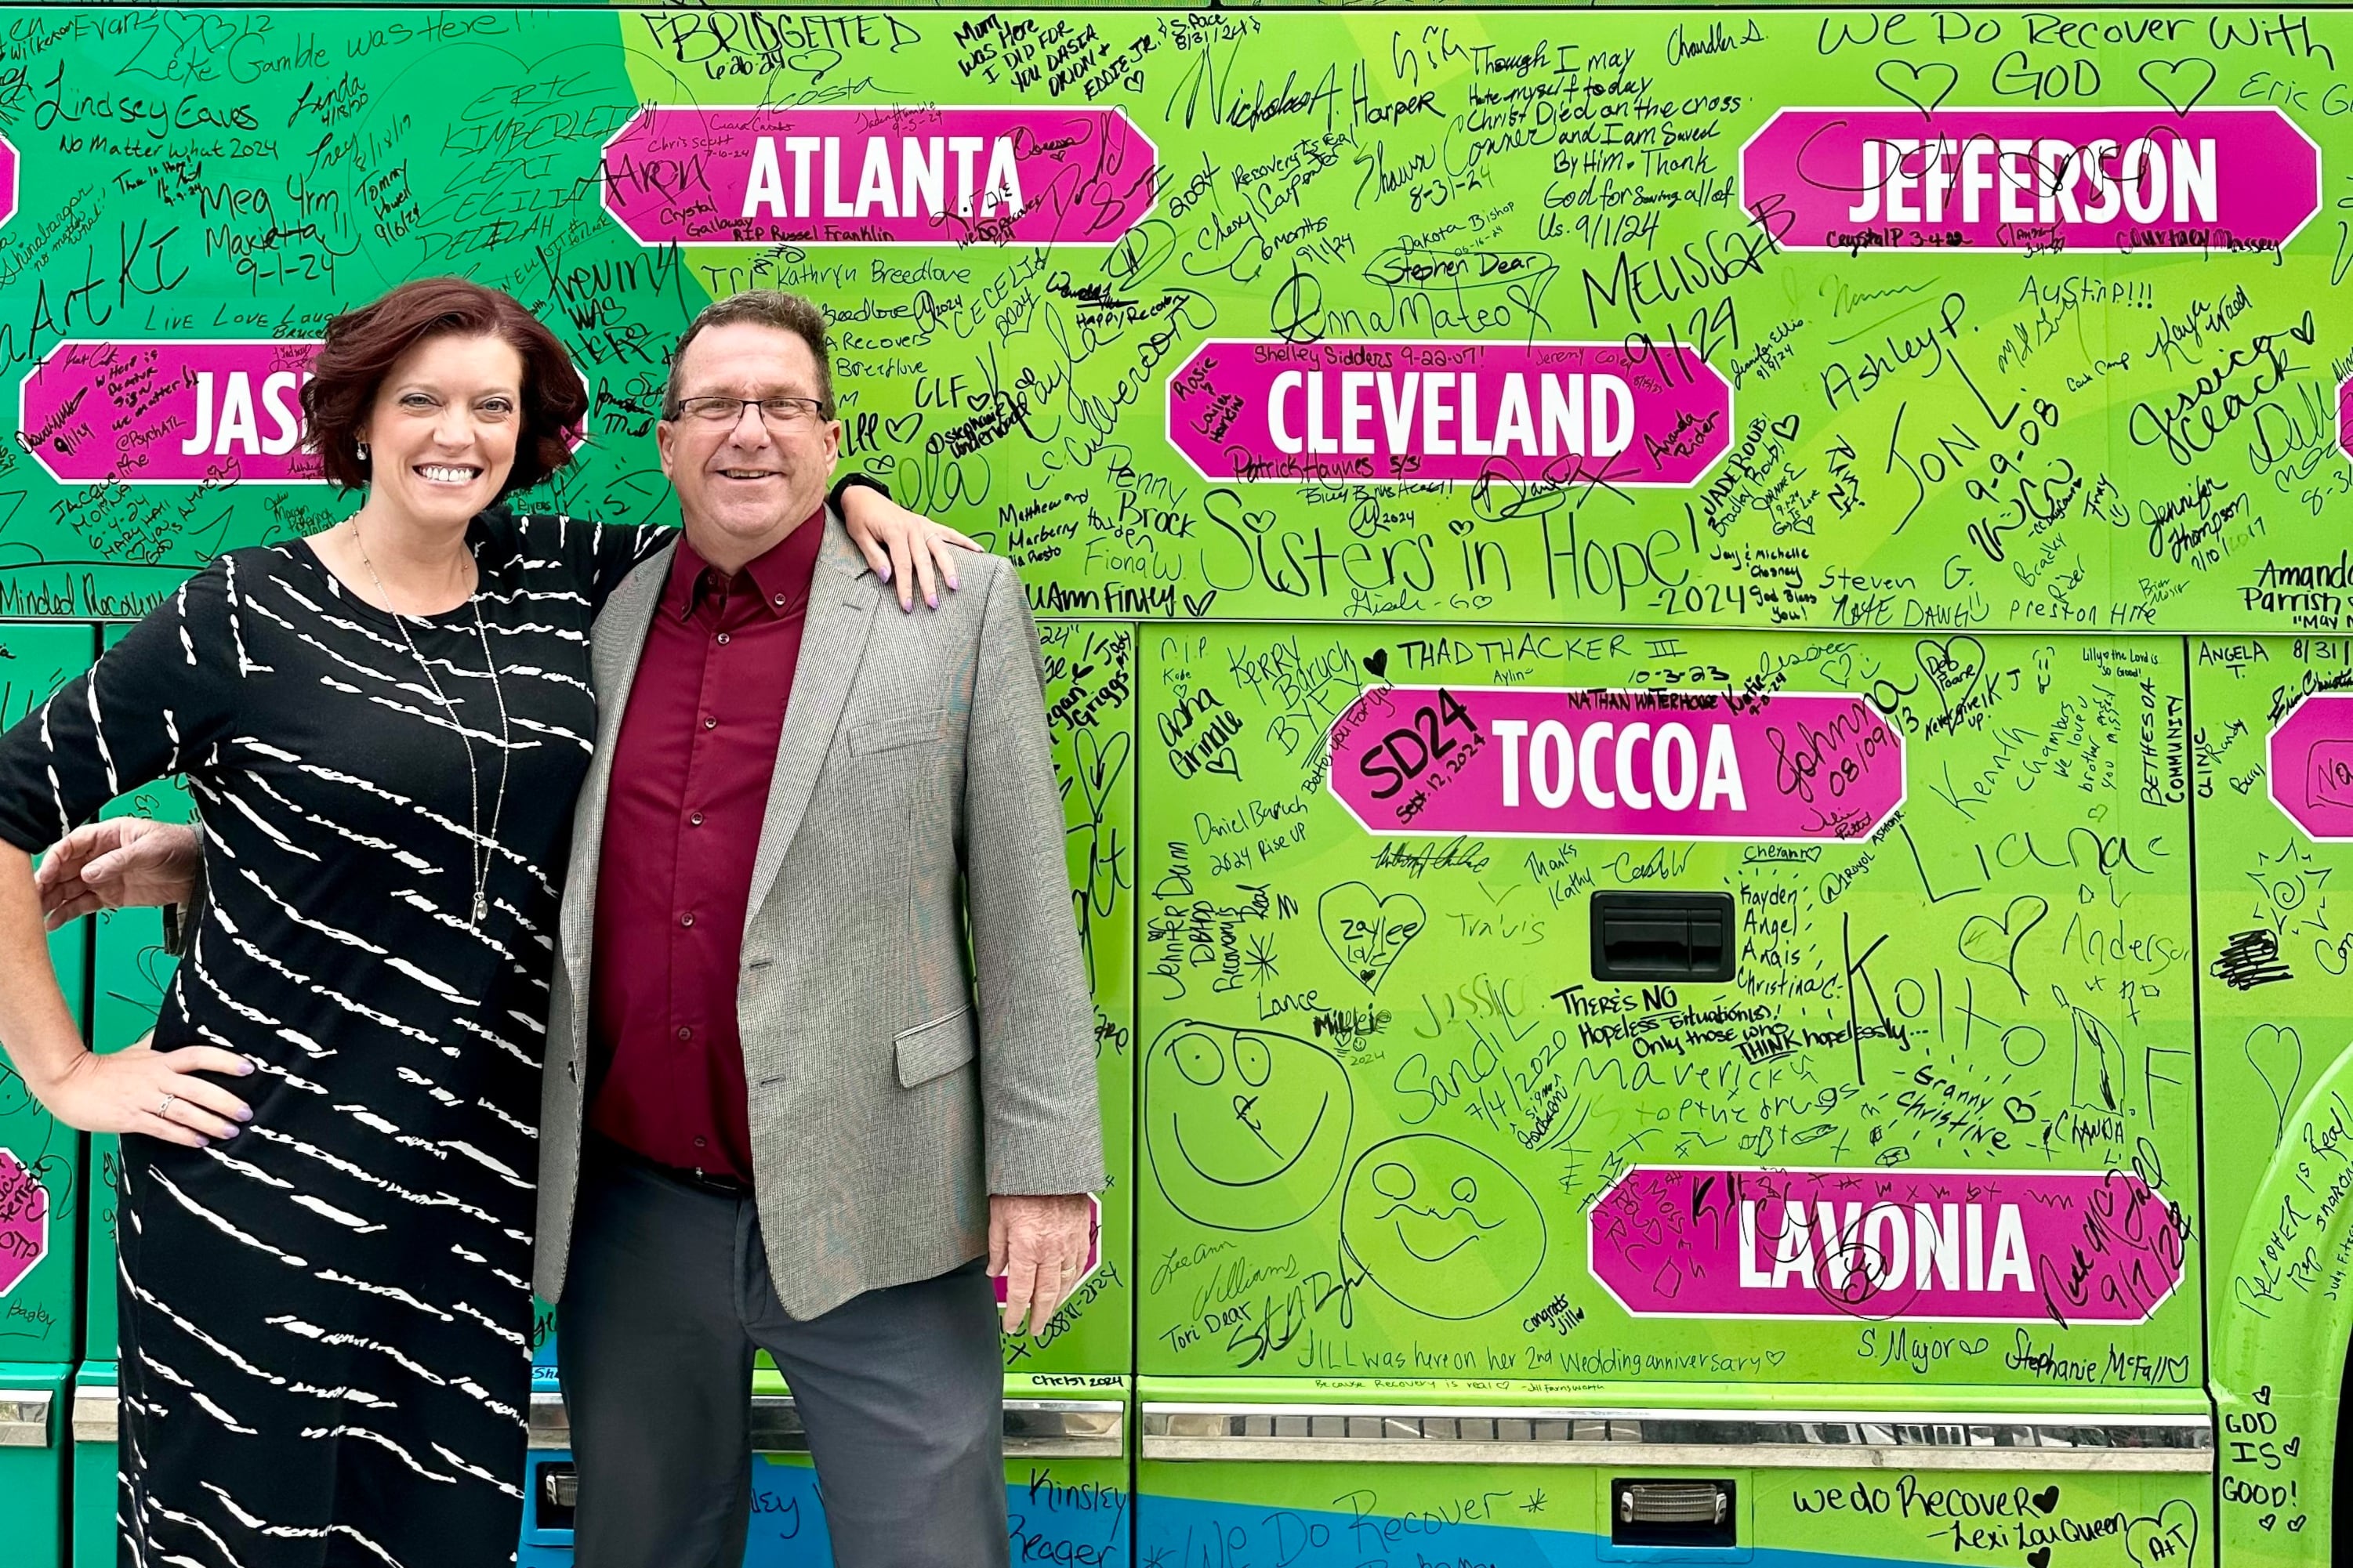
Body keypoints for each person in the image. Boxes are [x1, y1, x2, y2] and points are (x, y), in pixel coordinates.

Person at [0, 277, 965, 1568]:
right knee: (247, 1537)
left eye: (490, 406)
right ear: (361, 422)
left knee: (439, 1532)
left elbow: (751, 512)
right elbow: (9, 805)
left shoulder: (561, 576)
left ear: (530, 431)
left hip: (471, 1190)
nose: (457, 433)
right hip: (260, 1179)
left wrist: (858, 495)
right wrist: (65, 1071)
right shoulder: (243, 612)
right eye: (422, 402)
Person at [538, 289, 1104, 1568]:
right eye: (717, 407)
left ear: (832, 436)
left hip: (885, 1197)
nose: (750, 433)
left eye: (782, 405)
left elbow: (1023, 905)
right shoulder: (598, 616)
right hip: (632, 1215)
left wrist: (1045, 1167)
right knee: (641, 1549)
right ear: (668, 441)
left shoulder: (952, 604)